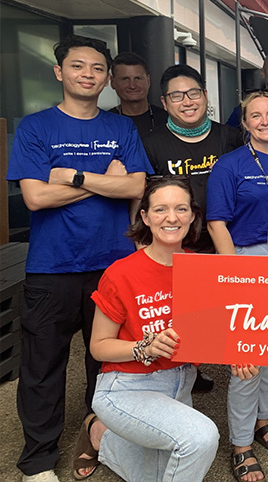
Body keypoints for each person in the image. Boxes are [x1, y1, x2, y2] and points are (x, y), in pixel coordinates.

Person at [6, 35, 151, 482]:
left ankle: (98, 434)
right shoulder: (36, 128)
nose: (88, 74)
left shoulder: (120, 128)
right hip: (52, 266)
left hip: (113, 265)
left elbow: (134, 188)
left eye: (96, 69)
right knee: (43, 365)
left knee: (105, 363)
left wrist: (71, 176)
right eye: (78, 67)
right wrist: (101, 179)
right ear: (59, 73)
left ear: (107, 78)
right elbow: (34, 197)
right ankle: (37, 459)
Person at [74, 177, 254, 481]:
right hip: (126, 386)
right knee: (200, 437)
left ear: (193, 216)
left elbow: (210, 334)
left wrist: (234, 355)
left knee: (158, 476)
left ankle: (98, 435)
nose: (172, 218)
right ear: (145, 217)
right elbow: (98, 346)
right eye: (160, 210)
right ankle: (102, 422)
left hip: (179, 386)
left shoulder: (202, 269)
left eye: (181, 208)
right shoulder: (121, 273)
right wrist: (145, 346)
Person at [207, 91, 268, 482]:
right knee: (247, 359)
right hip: (245, 260)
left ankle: (263, 422)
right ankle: (241, 443)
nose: (265, 120)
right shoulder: (228, 166)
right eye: (255, 115)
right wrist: (233, 278)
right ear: (244, 123)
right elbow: (216, 223)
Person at [142, 64, 242, 254]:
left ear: (205, 94)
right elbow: (142, 203)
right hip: (174, 248)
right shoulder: (150, 144)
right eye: (177, 96)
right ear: (164, 102)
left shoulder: (230, 137)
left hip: (228, 244)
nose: (187, 102)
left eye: (193, 93)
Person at [108, 52, 169, 137]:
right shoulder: (105, 122)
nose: (132, 86)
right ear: (113, 82)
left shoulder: (167, 119)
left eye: (138, 78)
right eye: (125, 79)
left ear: (148, 81)